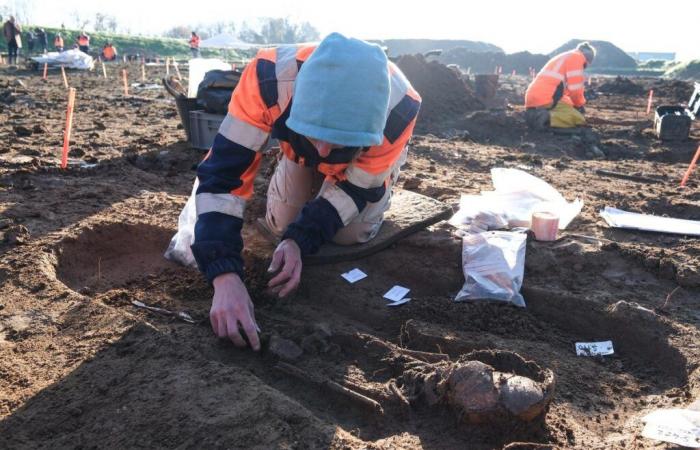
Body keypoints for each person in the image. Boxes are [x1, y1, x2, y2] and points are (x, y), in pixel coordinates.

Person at [189, 33, 421, 350]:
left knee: (348, 233)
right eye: (316, 132)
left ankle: (378, 177)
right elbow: (222, 177)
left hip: (359, 168)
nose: (324, 150)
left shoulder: (399, 112)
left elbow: (355, 187)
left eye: (337, 140)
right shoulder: (266, 80)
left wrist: (301, 240)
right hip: (295, 149)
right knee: (283, 222)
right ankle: (300, 163)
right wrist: (224, 274)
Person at [524, 42, 596, 129]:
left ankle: (535, 114)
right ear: (588, 59)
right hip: (545, 99)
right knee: (578, 118)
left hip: (534, 98)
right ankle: (544, 117)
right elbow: (575, 89)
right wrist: (579, 105)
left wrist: (572, 105)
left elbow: (562, 92)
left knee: (568, 106)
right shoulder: (577, 57)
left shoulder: (566, 56)